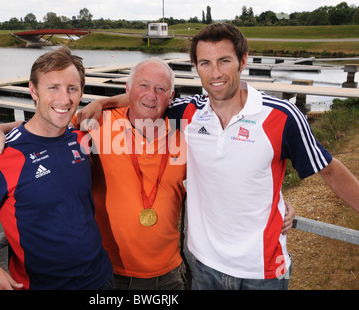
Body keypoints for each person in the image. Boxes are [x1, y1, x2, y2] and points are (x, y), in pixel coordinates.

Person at [72, 23, 358, 290]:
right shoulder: (189, 112)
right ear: (196, 67)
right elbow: (148, 100)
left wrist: (281, 202)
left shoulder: (281, 116)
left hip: (263, 270)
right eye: (205, 63)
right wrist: (102, 101)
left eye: (224, 60)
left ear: (243, 61)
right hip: (203, 266)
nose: (215, 73)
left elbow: (330, 170)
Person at [0, 57, 295, 290]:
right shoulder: (97, 125)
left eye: (160, 89)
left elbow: (230, 169)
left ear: (172, 96)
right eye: (142, 86)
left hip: (170, 273)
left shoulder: (189, 130)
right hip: (108, 274)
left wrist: (276, 202)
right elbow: (46, 124)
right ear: (128, 88)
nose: (151, 95)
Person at [0, 47, 113, 290]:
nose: (64, 99)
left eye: (72, 89)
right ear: (33, 90)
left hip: (101, 278)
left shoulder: (81, 137)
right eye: (53, 87)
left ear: (81, 93)